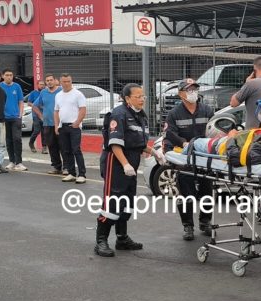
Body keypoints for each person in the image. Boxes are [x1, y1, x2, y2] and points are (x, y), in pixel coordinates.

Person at [96, 83, 165, 257]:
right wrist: (125, 164)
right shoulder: (119, 114)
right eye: (138, 96)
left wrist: (154, 152)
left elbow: (137, 143)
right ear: (127, 98)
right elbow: (115, 144)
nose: (142, 99)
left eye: (143, 96)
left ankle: (122, 238)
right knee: (113, 201)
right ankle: (101, 240)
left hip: (130, 163)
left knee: (127, 202)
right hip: (116, 163)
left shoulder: (140, 115)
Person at [164, 78, 215, 240]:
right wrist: (183, 144)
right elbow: (170, 134)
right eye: (189, 90)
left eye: (194, 89)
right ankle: (188, 226)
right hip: (184, 158)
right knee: (187, 194)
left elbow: (214, 132)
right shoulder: (174, 114)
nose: (193, 93)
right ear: (181, 94)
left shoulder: (207, 110)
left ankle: (205, 222)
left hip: (204, 158)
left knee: (207, 191)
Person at [186, 94, 261, 165]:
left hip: (220, 146)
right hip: (228, 142)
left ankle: (179, 151)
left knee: (193, 144)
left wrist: (231, 138)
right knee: (193, 143)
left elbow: (235, 157)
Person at [54, 73, 87, 183]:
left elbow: (82, 109)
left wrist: (77, 122)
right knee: (66, 151)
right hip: (63, 127)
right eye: (64, 81)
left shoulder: (78, 94)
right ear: (60, 82)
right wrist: (56, 125)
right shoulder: (58, 95)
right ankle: (71, 173)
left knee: (76, 150)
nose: (67, 83)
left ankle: (82, 174)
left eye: (69, 81)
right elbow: (56, 111)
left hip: (74, 127)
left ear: (71, 81)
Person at [32, 74, 63, 175]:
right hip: (48, 124)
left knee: (64, 146)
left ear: (55, 80)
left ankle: (67, 167)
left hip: (60, 124)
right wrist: (41, 116)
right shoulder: (43, 92)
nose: (49, 82)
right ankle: (56, 167)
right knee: (52, 146)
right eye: (47, 80)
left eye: (51, 80)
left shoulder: (61, 90)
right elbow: (35, 106)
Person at [0, 68, 25, 171]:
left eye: (11, 75)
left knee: (17, 139)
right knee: (8, 140)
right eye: (7, 75)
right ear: (3, 76)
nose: (9, 77)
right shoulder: (0, 86)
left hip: (15, 117)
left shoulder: (17, 86)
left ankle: (19, 162)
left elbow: (21, 101)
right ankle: (12, 161)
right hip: (4, 118)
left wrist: (20, 114)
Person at [27, 79, 45, 152]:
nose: (42, 86)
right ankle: (31, 143)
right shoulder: (33, 93)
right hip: (35, 114)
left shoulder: (45, 93)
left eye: (43, 84)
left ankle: (44, 147)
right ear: (37, 85)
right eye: (40, 84)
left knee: (44, 131)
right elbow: (29, 103)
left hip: (44, 114)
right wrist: (35, 105)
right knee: (37, 130)